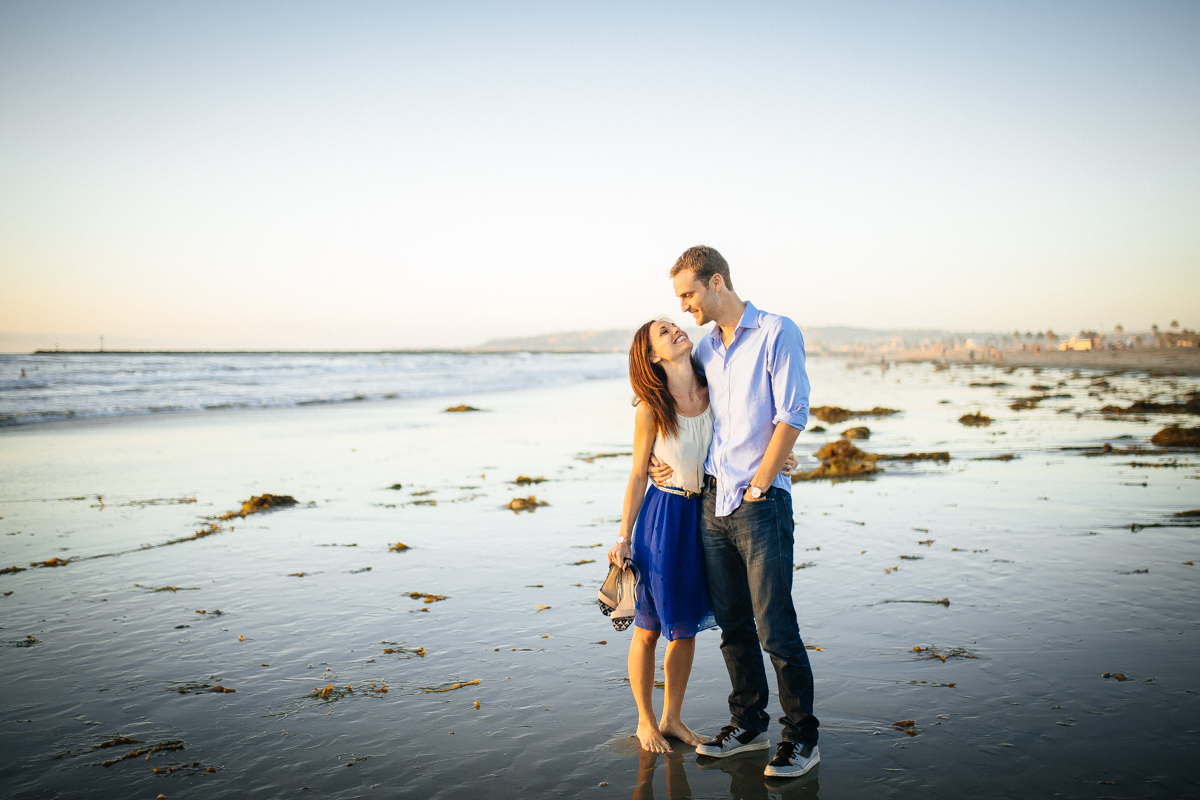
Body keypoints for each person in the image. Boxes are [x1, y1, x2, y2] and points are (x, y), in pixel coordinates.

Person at [650, 245, 820, 778]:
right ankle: (748, 724)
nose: (684, 308)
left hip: (759, 504)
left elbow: (793, 412)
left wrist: (763, 480)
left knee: (776, 628)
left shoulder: (776, 332)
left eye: (689, 295)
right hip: (710, 503)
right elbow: (675, 402)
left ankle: (801, 740)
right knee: (732, 625)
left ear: (716, 282)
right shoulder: (702, 349)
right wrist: (661, 462)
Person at [607, 319, 798, 754]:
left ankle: (673, 717)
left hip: (707, 513)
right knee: (649, 626)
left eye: (675, 325)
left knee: (686, 627)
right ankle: (645, 720)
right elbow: (638, 473)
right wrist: (623, 536)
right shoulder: (651, 407)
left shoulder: (714, 391)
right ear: (653, 356)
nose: (677, 329)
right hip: (662, 517)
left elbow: (751, 433)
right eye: (664, 332)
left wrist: (786, 455)